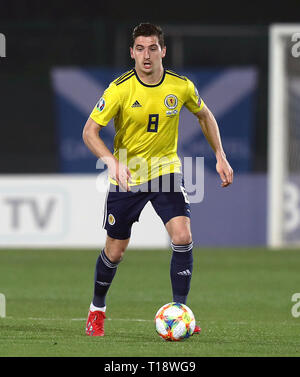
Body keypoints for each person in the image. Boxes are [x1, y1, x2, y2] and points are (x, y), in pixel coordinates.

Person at [82, 22, 233, 336]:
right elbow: (89, 131)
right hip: (128, 179)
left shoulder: (180, 86)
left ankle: (180, 311)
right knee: (115, 251)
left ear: (163, 50)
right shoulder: (120, 89)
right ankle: (97, 309)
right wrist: (111, 162)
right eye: (140, 48)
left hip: (166, 173)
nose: (146, 55)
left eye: (152, 48)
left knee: (182, 236)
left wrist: (219, 154)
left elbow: (204, 114)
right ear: (132, 53)